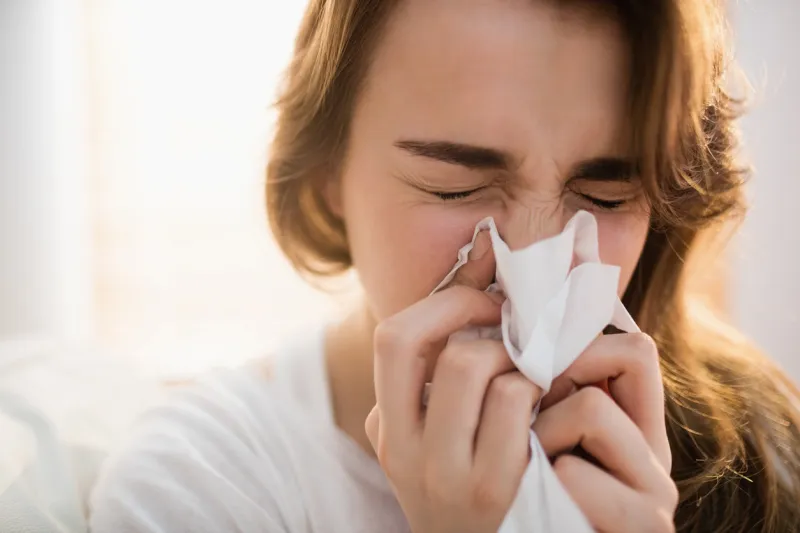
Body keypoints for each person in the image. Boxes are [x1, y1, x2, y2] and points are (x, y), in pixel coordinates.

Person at [88, 1, 800, 532]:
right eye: (454, 187)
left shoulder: (760, 456)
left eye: (605, 194)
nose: (529, 260)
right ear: (327, 174)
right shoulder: (198, 488)